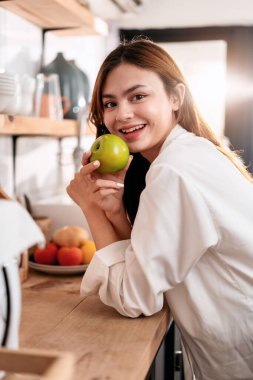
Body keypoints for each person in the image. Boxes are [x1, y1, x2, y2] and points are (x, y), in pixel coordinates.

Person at [67, 37, 253, 380]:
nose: (122, 114)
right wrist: (113, 209)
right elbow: (145, 266)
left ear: (174, 98)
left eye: (138, 96)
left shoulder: (173, 172)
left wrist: (90, 209)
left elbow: (134, 297)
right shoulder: (188, 154)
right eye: (110, 103)